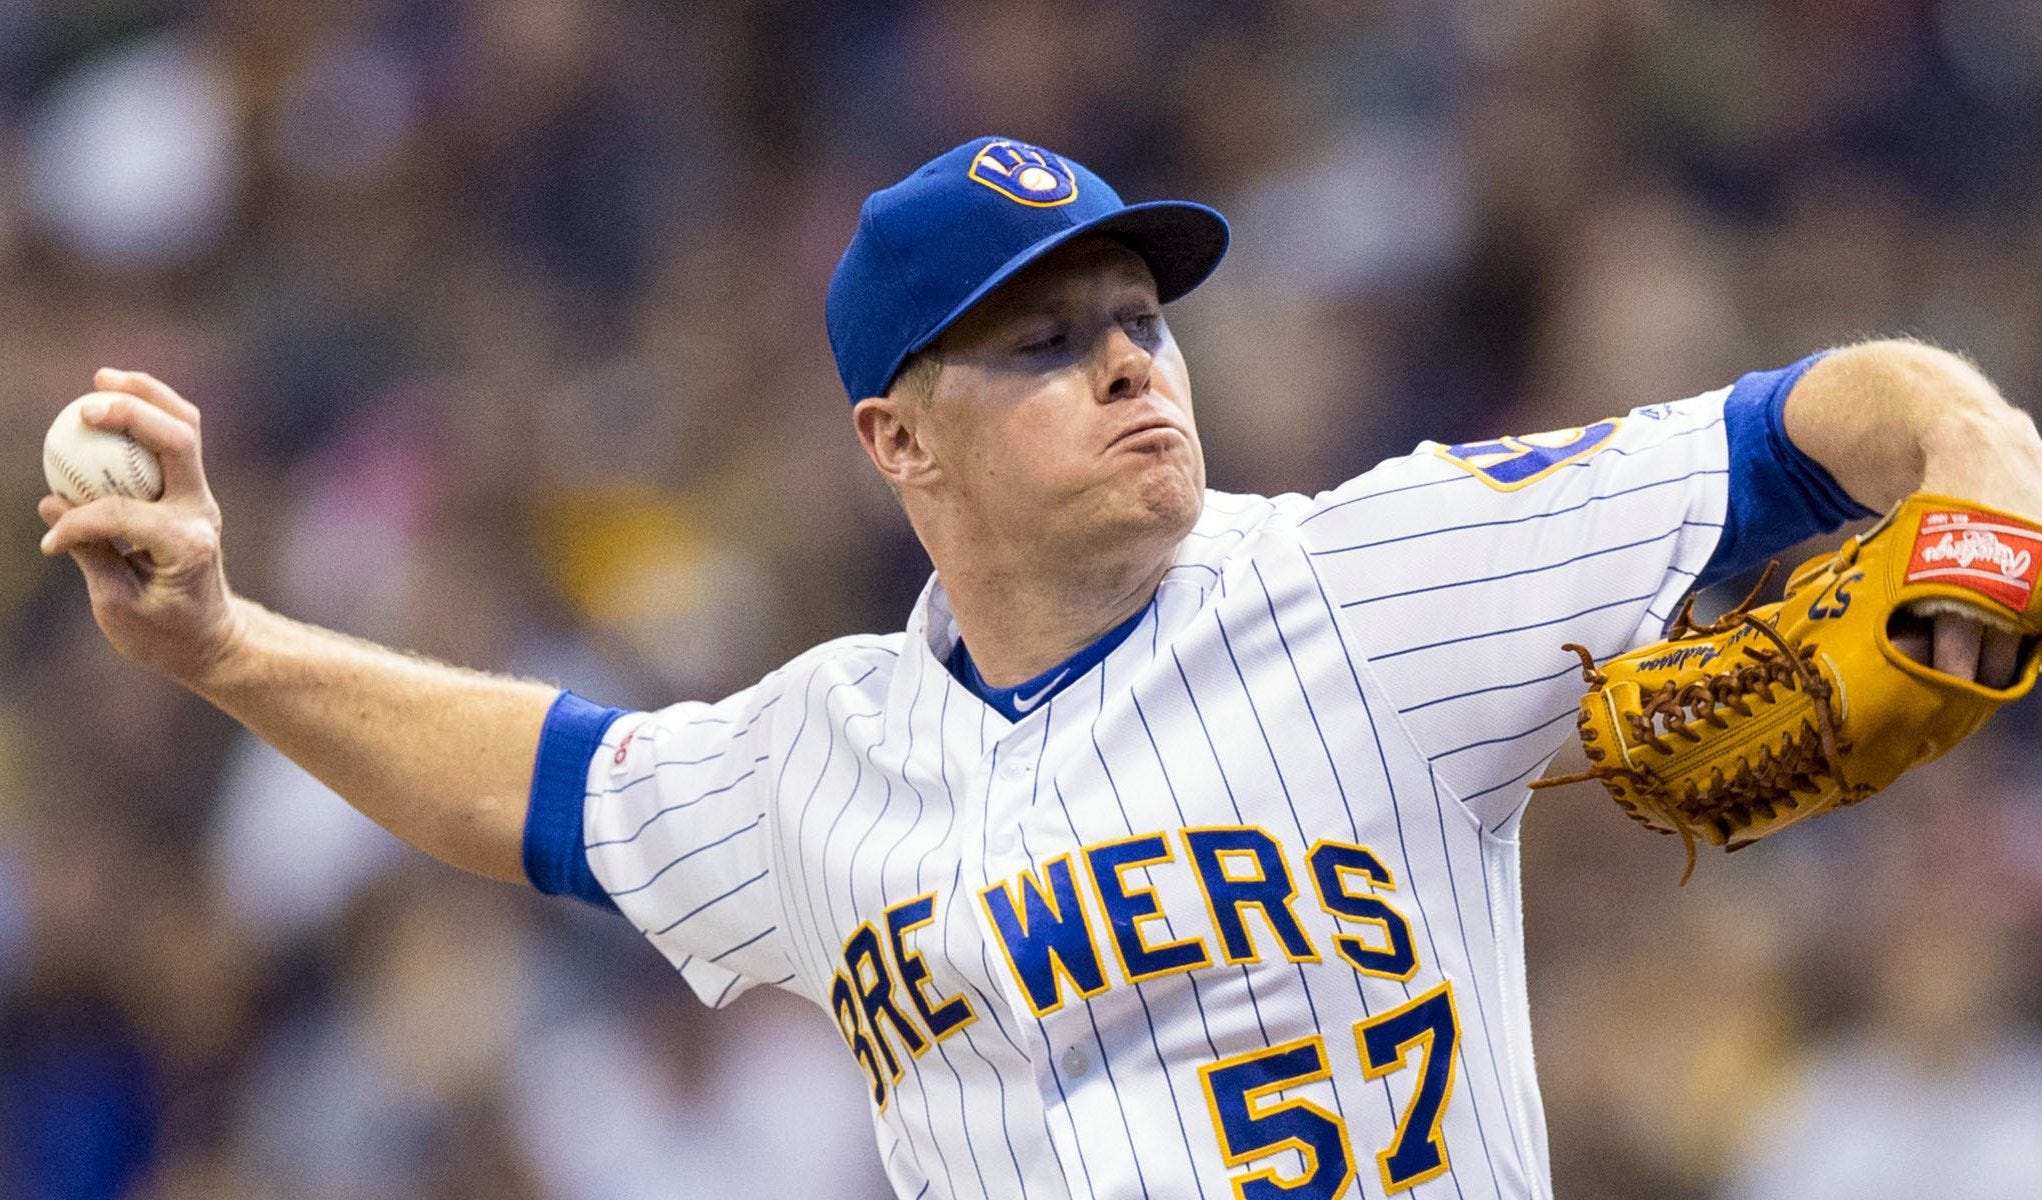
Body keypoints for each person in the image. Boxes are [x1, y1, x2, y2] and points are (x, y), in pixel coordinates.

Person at [38, 136, 2042, 1199]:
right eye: (1040, 336)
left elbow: (1855, 410)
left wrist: (1975, 549)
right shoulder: (822, 756)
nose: (1123, 360)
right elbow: (543, 791)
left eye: (1135, 316)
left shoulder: (1377, 576)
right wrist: (224, 643)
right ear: (892, 440)